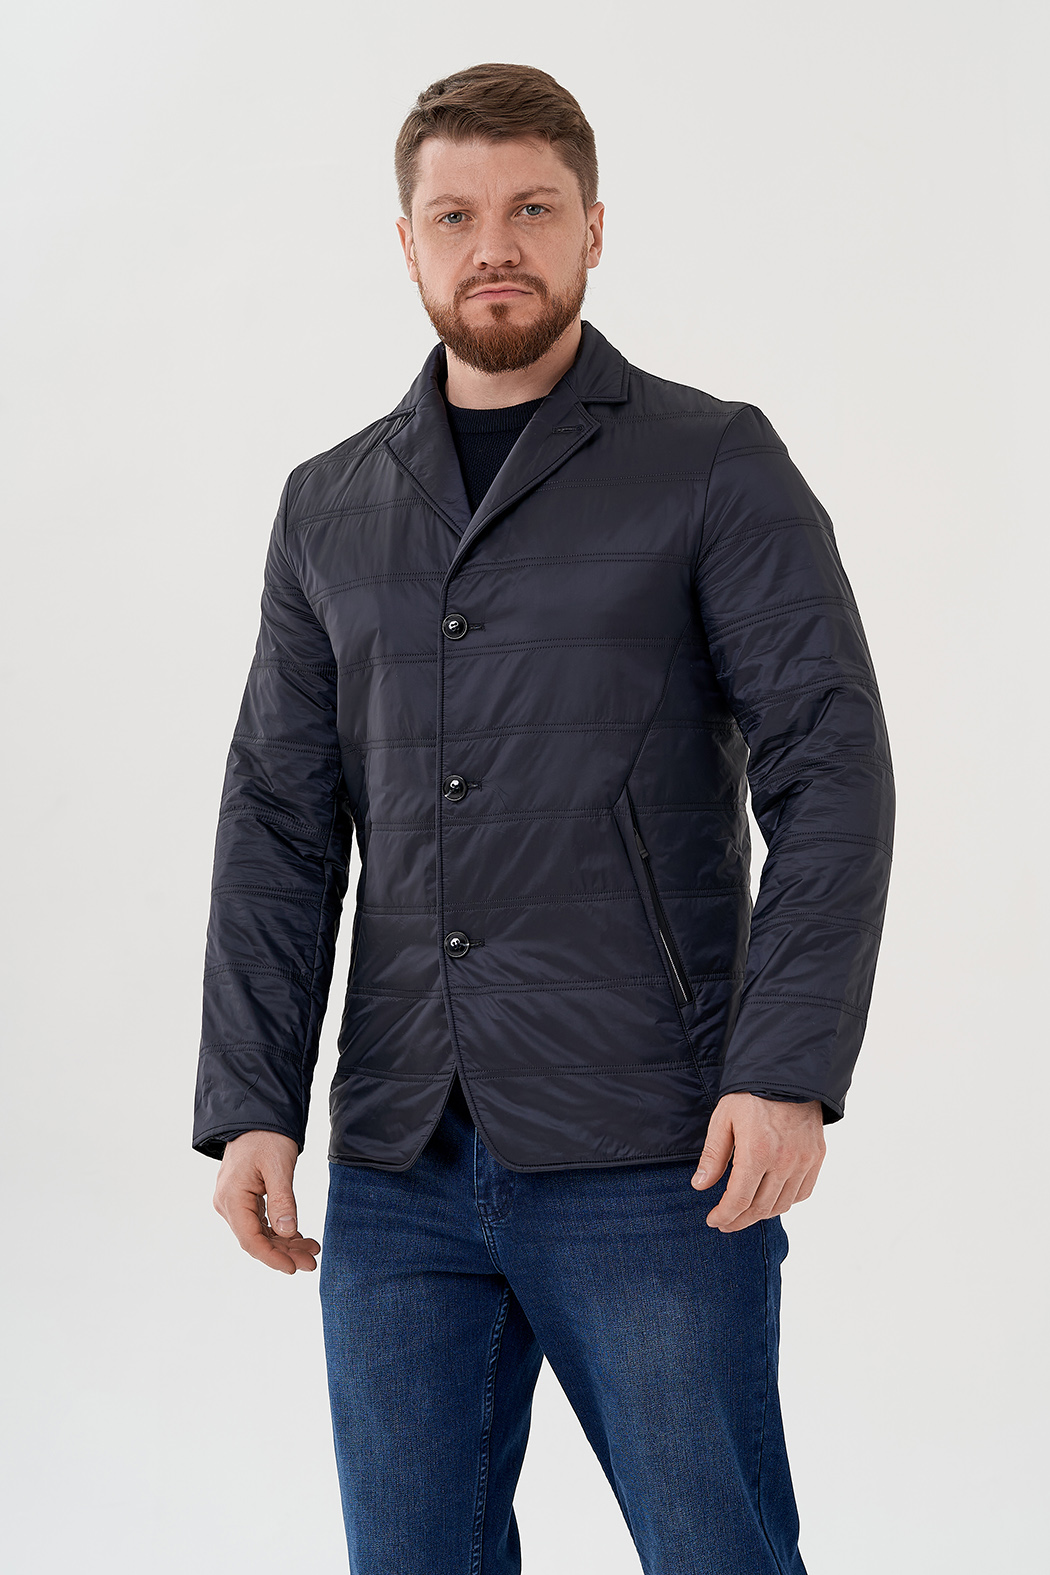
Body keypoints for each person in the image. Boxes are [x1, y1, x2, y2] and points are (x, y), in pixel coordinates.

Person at [192, 62, 894, 1575]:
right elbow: (279, 823)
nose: (493, 245)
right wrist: (253, 1099)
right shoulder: (329, 504)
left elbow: (829, 766)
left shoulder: (710, 461)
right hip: (400, 1159)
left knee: (714, 1551)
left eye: (531, 209)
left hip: (656, 1146)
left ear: (592, 229)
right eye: (455, 216)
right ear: (407, 242)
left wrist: (784, 1070)